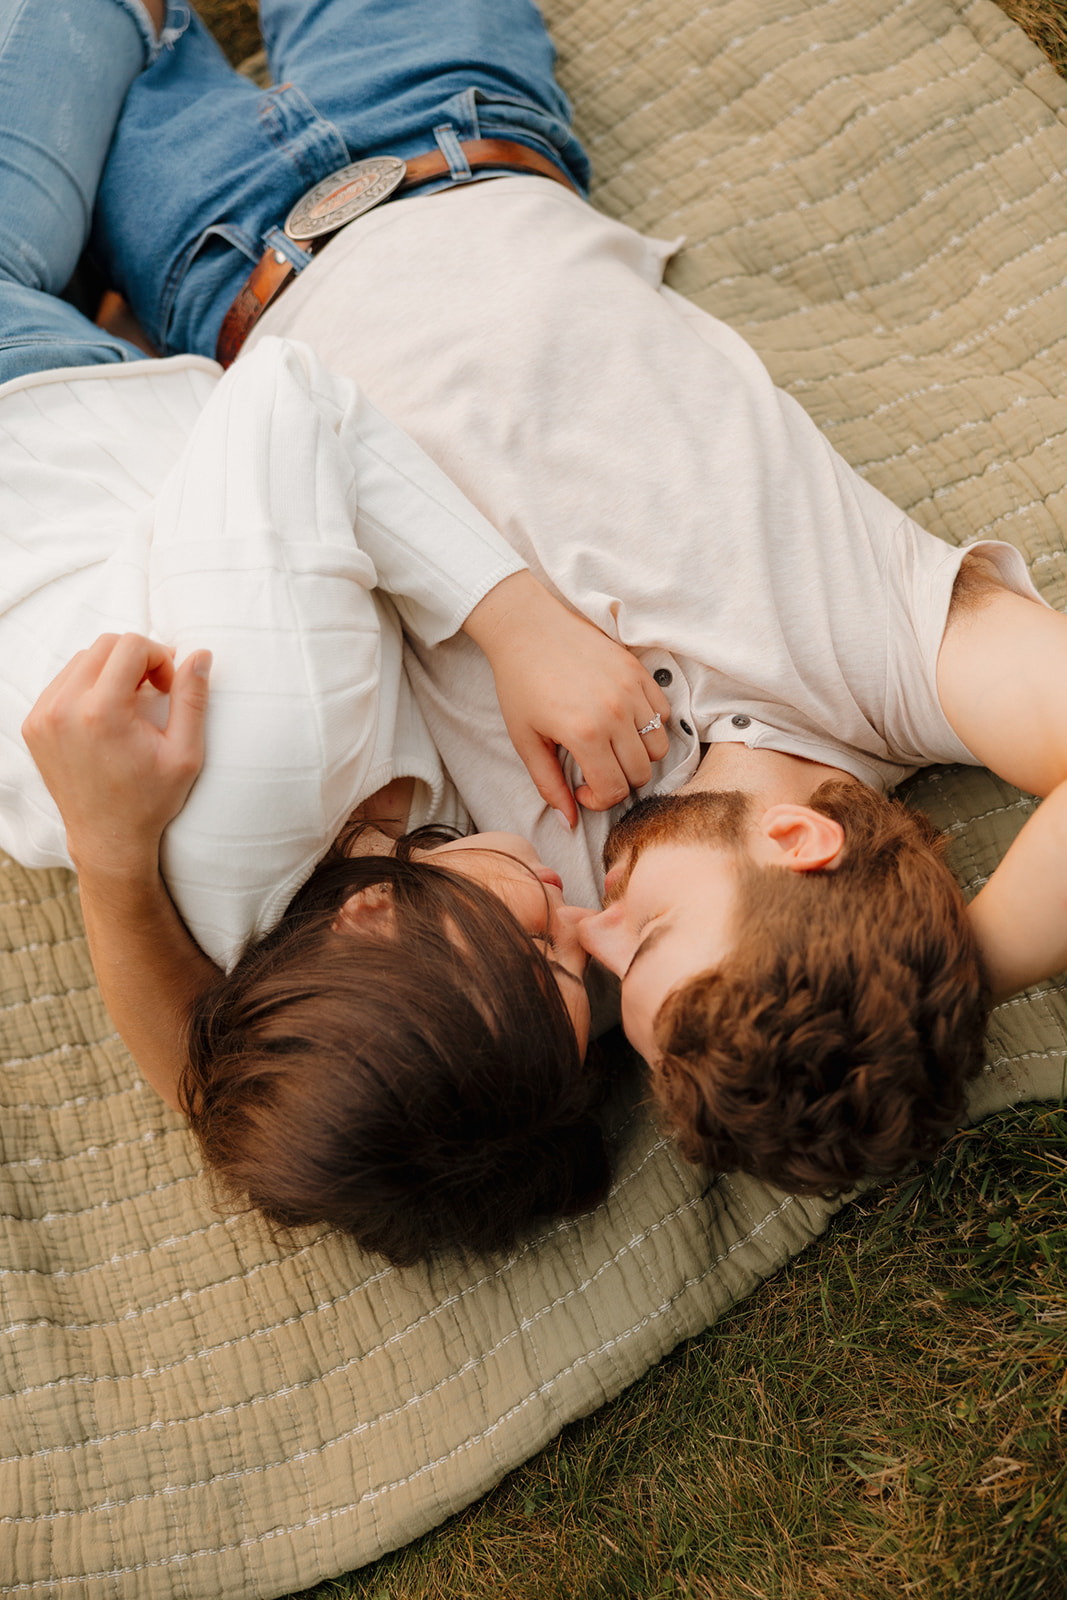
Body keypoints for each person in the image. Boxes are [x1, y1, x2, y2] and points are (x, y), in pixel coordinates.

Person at [20, 1, 1066, 1223]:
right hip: (450, 122)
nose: (602, 932)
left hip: (215, 270)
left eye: (611, 977)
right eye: (654, 933)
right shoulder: (883, 662)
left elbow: (241, 1086)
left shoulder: (532, 909)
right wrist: (942, 978)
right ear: (799, 844)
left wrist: (111, 858)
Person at [2, 0, 688, 1263]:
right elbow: (236, 1110)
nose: (574, 916)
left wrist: (515, 614)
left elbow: (287, 403)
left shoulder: (282, 752)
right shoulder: (290, 991)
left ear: (377, 925)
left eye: (537, 941)